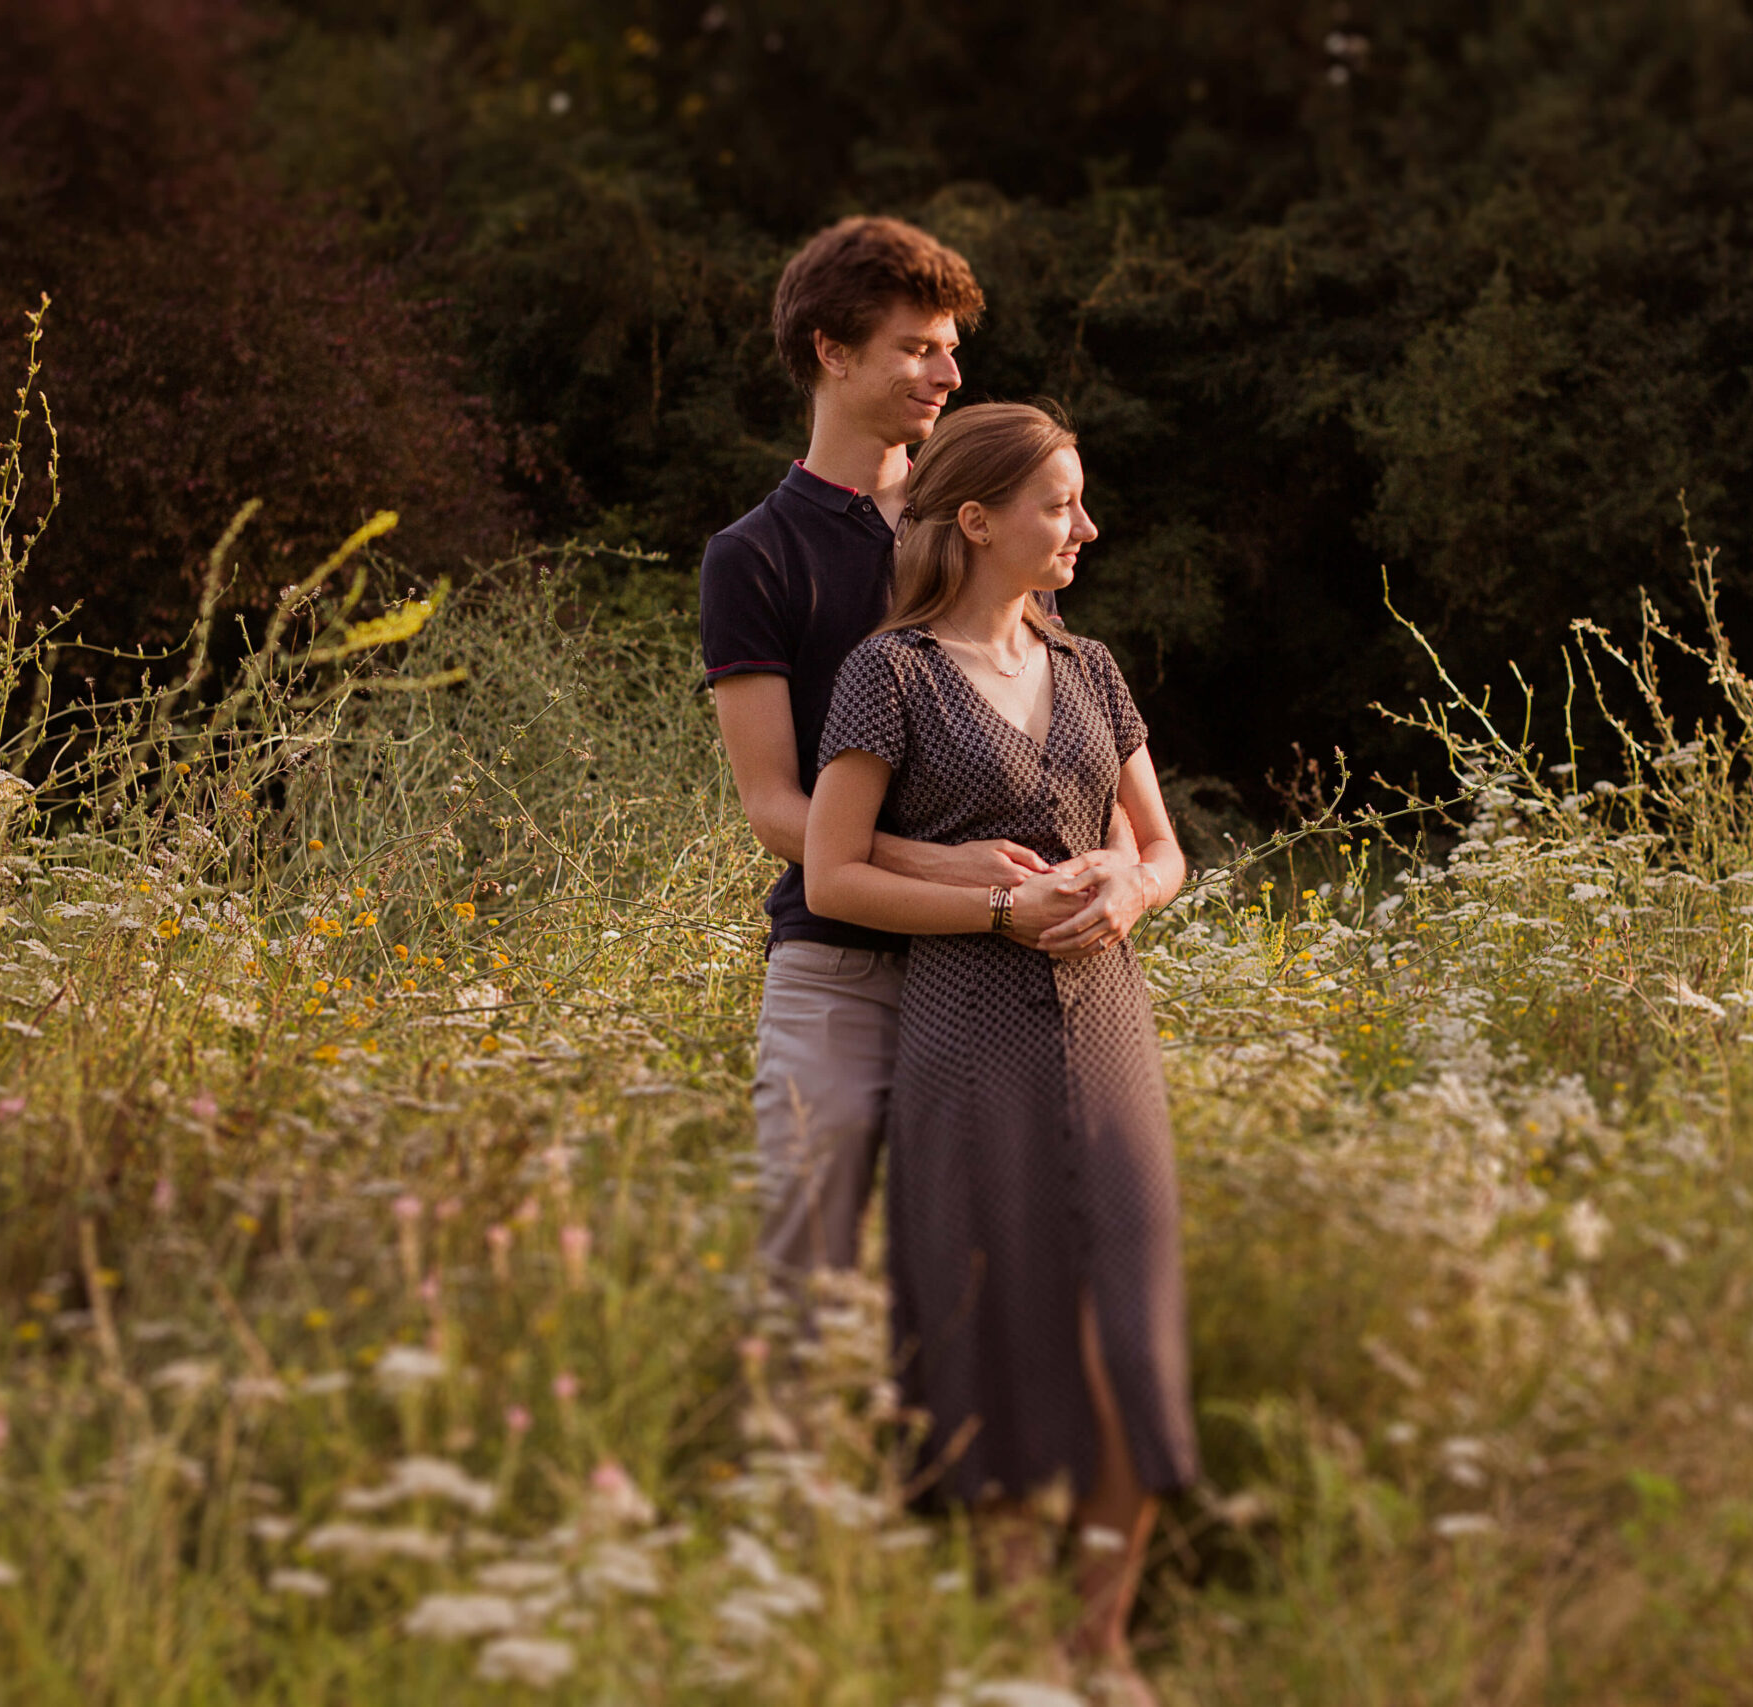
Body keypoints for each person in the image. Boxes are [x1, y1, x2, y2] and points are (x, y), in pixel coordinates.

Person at [802, 402, 1192, 1697]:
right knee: (1000, 1329)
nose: (1085, 525)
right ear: (977, 521)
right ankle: (1028, 1644)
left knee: (1128, 1338)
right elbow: (834, 871)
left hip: (1109, 1026)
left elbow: (1164, 846)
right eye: (1060, 503)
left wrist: (1131, 893)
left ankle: (1105, 1637)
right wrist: (990, 905)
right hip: (965, 1031)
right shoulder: (890, 673)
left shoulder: (1094, 671)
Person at [701, 218, 1140, 1299]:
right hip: (842, 965)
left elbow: (1070, 737)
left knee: (997, 1276)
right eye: (917, 347)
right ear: (829, 351)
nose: (948, 371)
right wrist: (965, 873)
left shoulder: (988, 521)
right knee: (809, 1266)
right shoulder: (753, 557)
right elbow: (773, 807)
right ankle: (794, 1462)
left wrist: (1115, 871)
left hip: (1008, 969)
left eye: (951, 346)